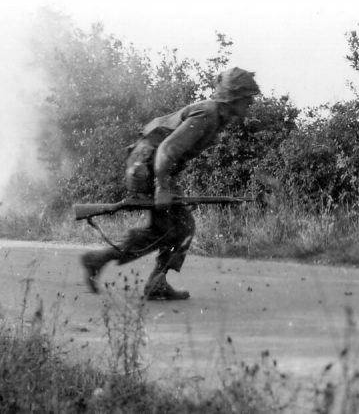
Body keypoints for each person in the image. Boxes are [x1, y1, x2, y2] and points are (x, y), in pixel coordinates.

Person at [80, 67, 260, 300]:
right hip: (147, 167)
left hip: (147, 165)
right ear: (235, 96)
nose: (250, 103)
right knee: (178, 228)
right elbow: (167, 149)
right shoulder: (208, 114)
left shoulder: (215, 116)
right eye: (248, 98)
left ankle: (137, 274)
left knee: (173, 228)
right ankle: (128, 271)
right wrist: (163, 187)